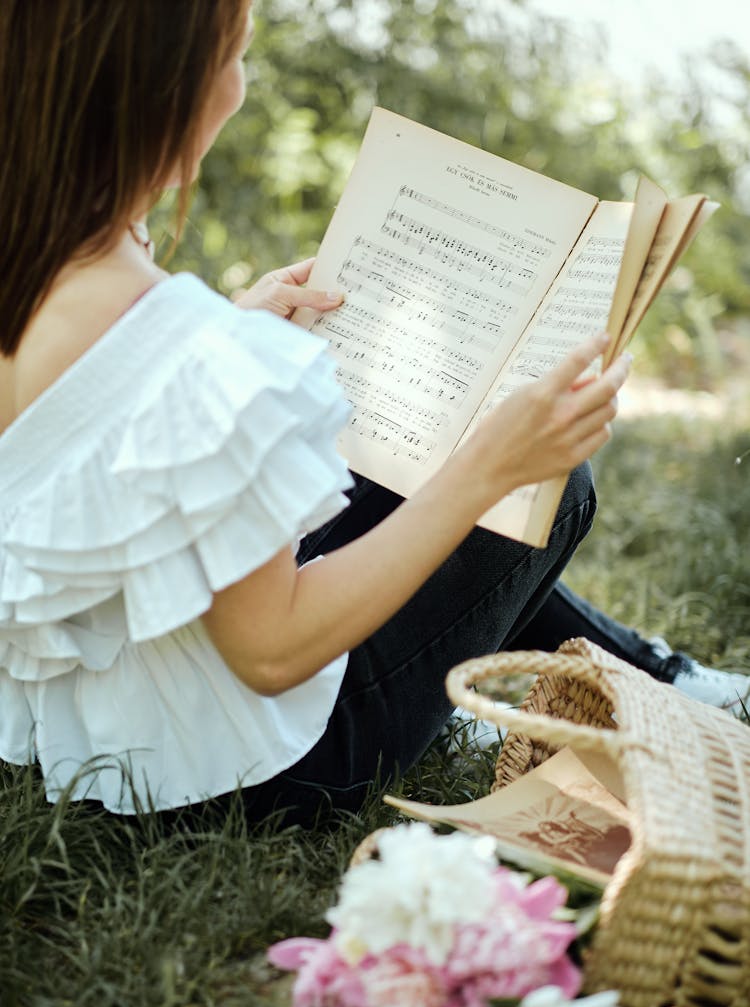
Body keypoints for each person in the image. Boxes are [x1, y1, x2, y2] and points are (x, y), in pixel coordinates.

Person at [0, 2, 743, 828]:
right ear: (166, 89)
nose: (241, 91)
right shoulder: (176, 337)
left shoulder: (38, 250)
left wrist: (234, 334)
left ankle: (648, 671)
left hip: (111, 724)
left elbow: (102, 432)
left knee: (371, 461)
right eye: (236, 58)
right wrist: (488, 467)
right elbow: (271, 650)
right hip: (258, 772)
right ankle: (643, 683)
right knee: (551, 482)